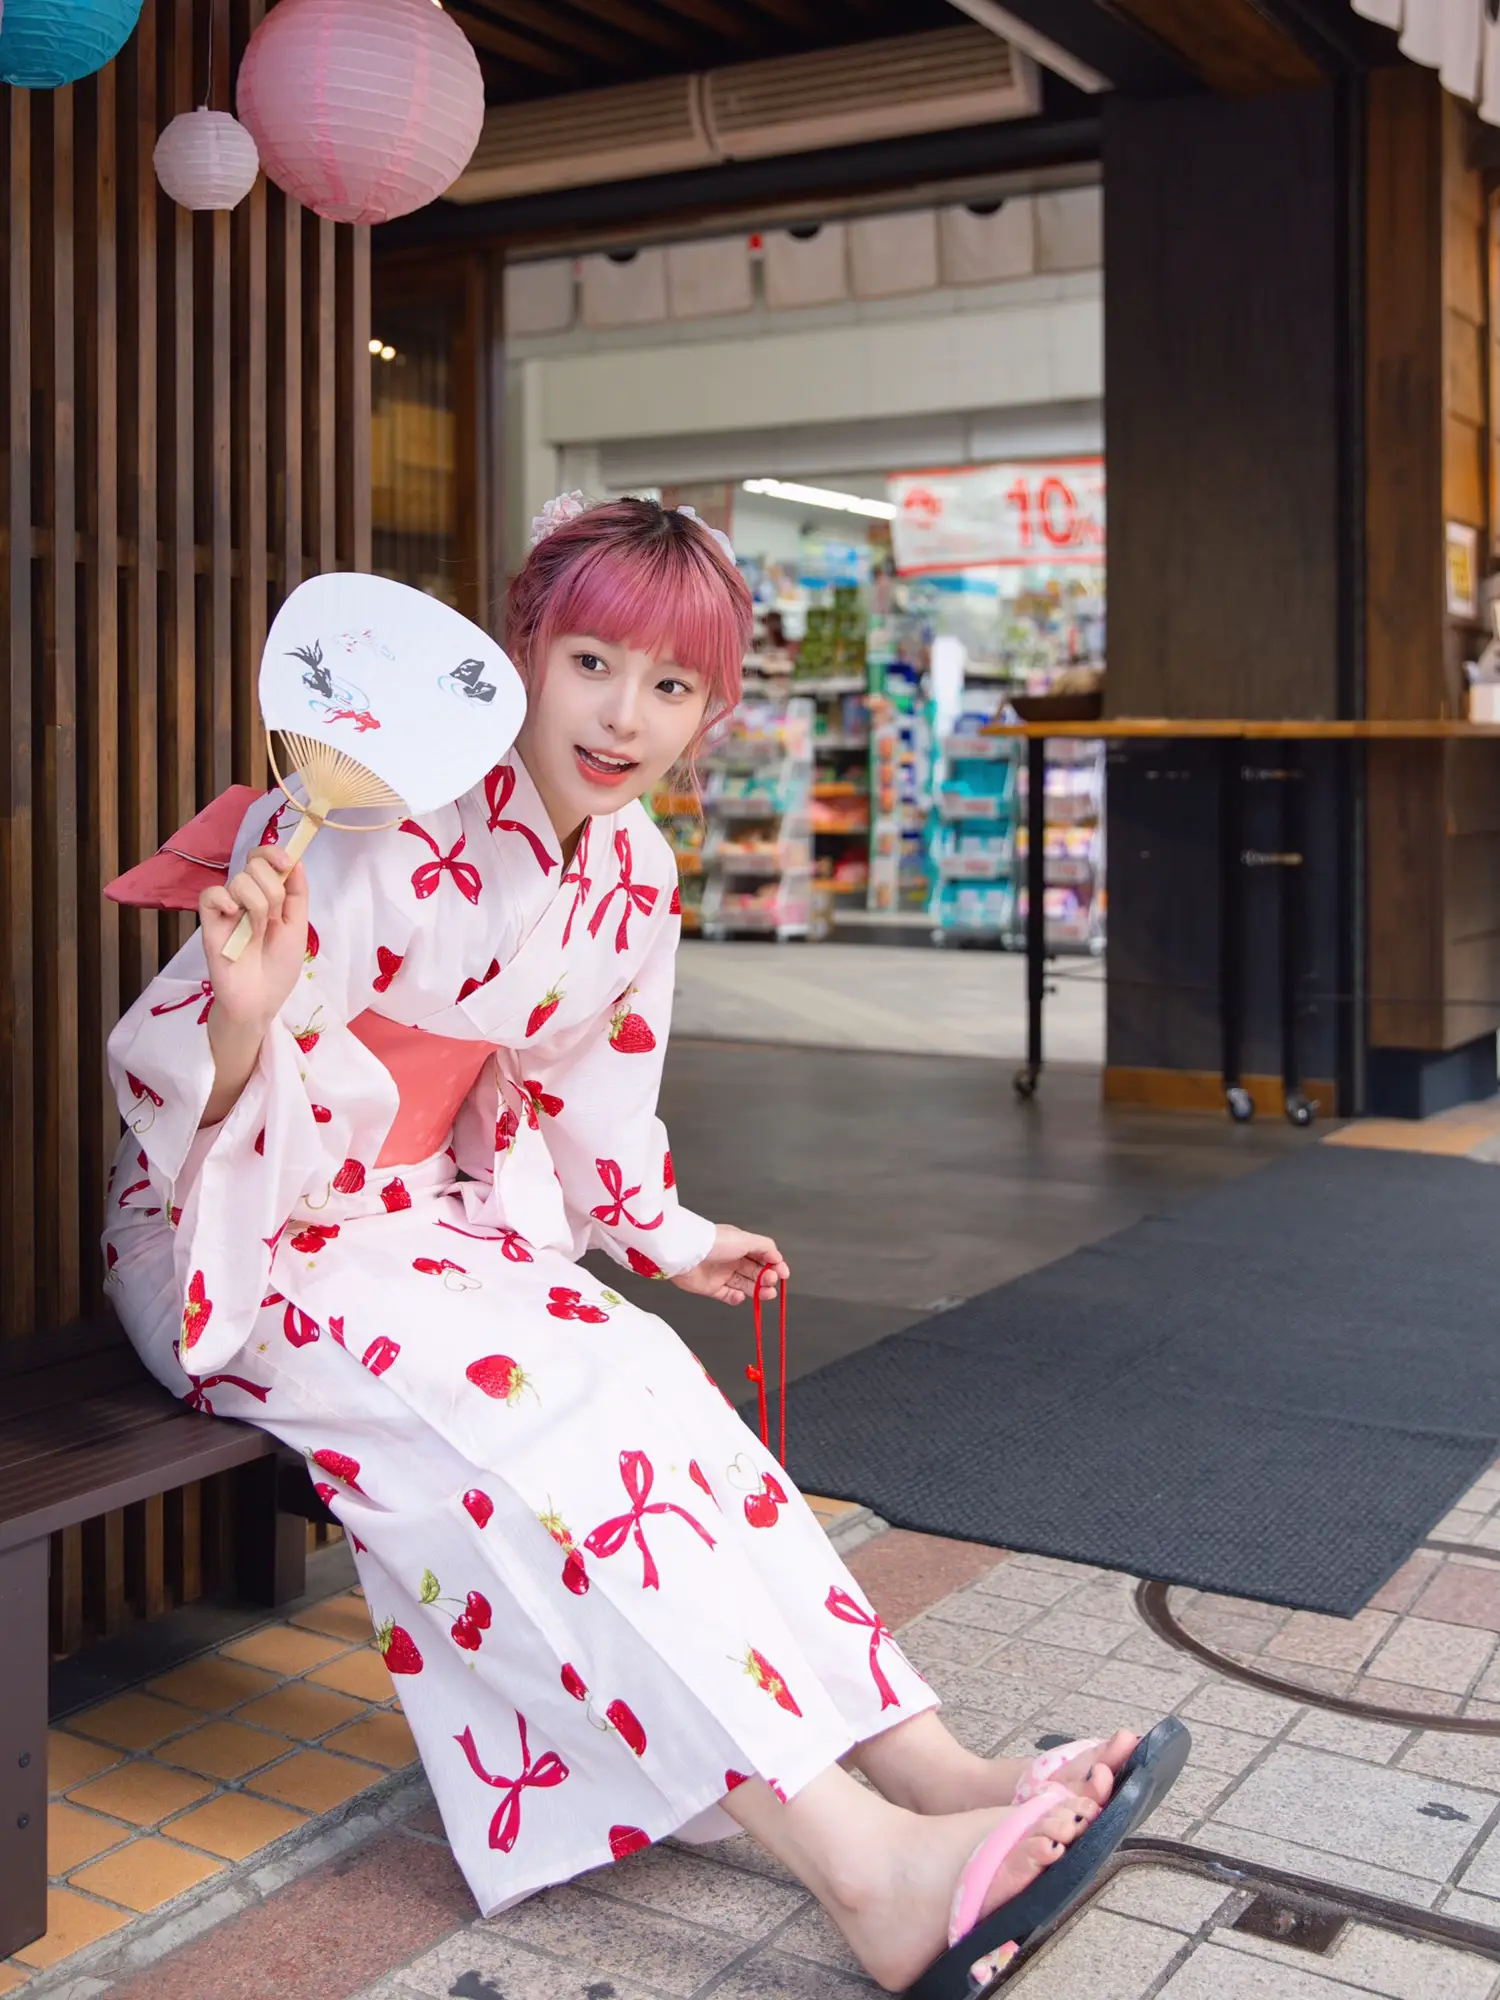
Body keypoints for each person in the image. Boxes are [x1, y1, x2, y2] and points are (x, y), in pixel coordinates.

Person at [104, 496, 1151, 1995]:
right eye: (592, 661)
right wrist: (250, 1007)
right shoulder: (361, 808)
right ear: (523, 648)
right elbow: (175, 1095)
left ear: (712, 708)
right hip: (255, 1231)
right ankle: (863, 1870)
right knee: (523, 1447)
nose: (624, 716)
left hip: (426, 1230)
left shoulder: (636, 874)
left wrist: (671, 1237)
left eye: (672, 687)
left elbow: (599, 1103)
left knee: (650, 1389)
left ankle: (939, 1773)